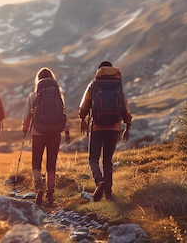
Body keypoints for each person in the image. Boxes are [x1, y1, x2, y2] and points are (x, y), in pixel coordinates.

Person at [79, 61, 132, 201]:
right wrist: (127, 127)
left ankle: (99, 182)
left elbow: (84, 106)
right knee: (107, 160)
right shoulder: (118, 86)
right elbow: (126, 107)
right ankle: (108, 193)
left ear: (99, 71)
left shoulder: (94, 85)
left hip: (97, 127)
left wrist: (82, 118)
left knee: (93, 159)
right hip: (114, 128)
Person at [22, 67, 71, 207]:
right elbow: (63, 114)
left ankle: (39, 188)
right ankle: (50, 193)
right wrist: (66, 132)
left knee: (36, 163)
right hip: (55, 133)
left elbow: (27, 116)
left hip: (38, 132)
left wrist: (25, 129)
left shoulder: (34, 95)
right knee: (51, 165)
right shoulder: (58, 95)